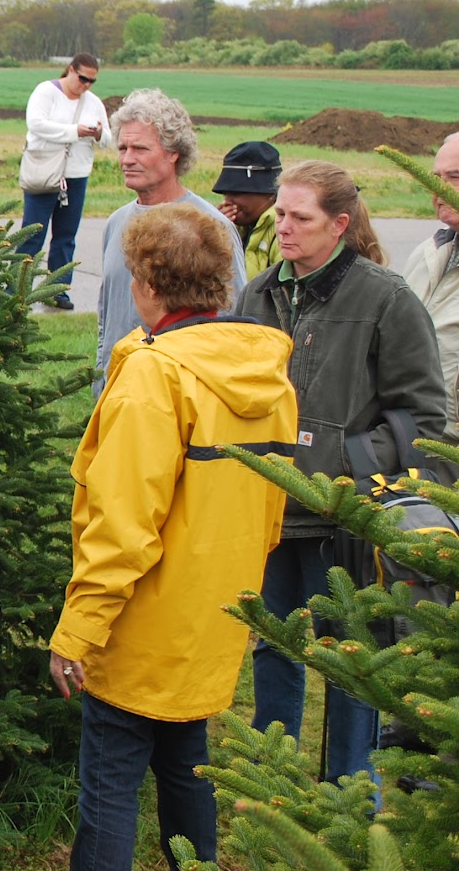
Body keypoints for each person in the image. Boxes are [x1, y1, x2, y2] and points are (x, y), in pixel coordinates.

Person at [49, 204, 295, 871]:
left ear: (148, 288)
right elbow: (272, 513)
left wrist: (77, 633)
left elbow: (121, 528)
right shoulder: (269, 378)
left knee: (109, 786)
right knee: (187, 765)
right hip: (213, 622)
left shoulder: (154, 378)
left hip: (140, 630)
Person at [238, 160, 445, 783]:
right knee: (276, 646)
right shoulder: (258, 294)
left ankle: (351, 792)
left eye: (302, 217)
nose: (285, 227)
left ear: (341, 225)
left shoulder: (388, 300)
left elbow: (424, 421)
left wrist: (342, 472)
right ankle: (270, 778)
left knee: (353, 660)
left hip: (347, 521)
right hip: (271, 515)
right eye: (281, 214)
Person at [94, 88, 246, 396]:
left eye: (140, 148)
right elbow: (107, 316)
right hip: (117, 388)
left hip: (176, 392)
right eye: (122, 148)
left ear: (173, 152)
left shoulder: (208, 226)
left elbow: (234, 318)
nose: (127, 159)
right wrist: (101, 380)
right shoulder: (116, 223)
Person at [15, 53, 110, 310]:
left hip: (76, 175)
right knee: (33, 232)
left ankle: (57, 290)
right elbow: (35, 124)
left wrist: (98, 133)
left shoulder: (92, 102)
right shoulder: (46, 92)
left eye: (92, 81)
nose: (86, 85)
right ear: (70, 71)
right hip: (44, 172)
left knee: (66, 236)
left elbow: (109, 137)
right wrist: (74, 131)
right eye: (83, 78)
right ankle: (14, 288)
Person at [402, 133, 459, 483]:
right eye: (435, 177)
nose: (438, 188)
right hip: (418, 441)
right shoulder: (428, 253)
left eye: (454, 177)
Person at [214, 140, 284, 277]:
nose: (228, 201)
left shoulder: (282, 233)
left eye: (237, 193)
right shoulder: (236, 229)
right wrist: (214, 237)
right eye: (225, 194)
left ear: (269, 193)